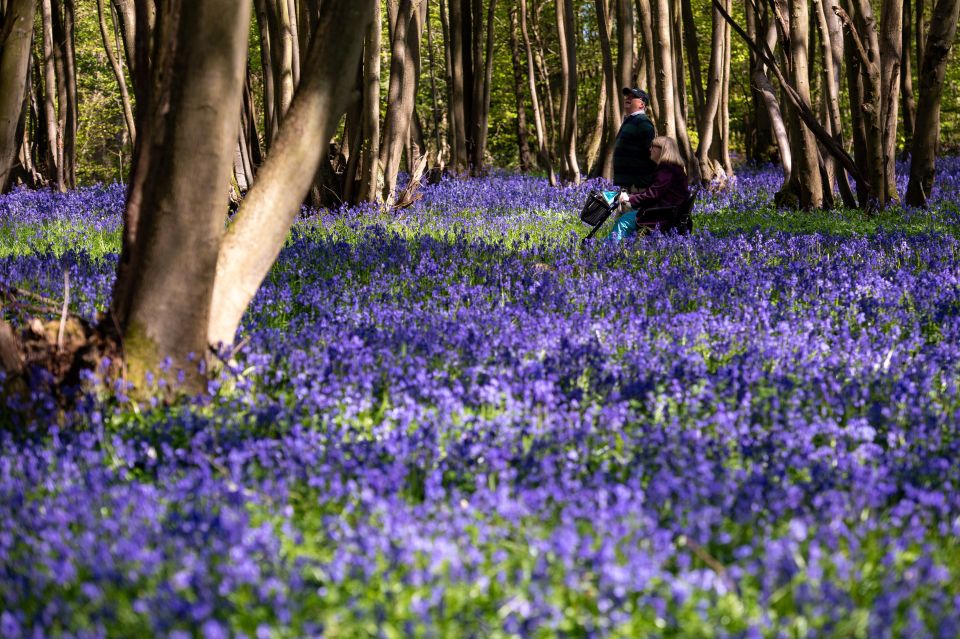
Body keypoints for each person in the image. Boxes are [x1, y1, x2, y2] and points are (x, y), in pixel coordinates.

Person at [608, 136, 690, 241]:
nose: (649, 149)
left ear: (662, 149)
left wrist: (629, 199)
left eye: (652, 146)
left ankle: (609, 250)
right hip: (669, 213)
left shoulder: (666, 170)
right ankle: (626, 249)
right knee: (628, 213)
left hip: (661, 216)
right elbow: (655, 192)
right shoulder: (676, 168)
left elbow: (653, 195)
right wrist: (632, 197)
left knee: (624, 221)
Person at [613, 88, 657, 192]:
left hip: (637, 185)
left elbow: (651, 152)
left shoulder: (642, 122)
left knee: (634, 209)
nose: (628, 98)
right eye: (627, 96)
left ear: (642, 105)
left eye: (633, 97)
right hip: (628, 184)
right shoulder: (630, 121)